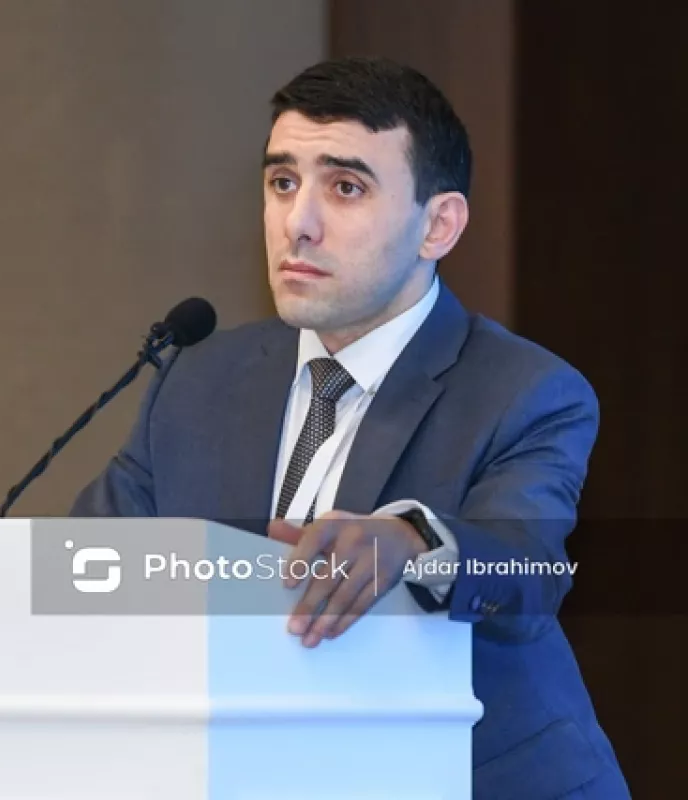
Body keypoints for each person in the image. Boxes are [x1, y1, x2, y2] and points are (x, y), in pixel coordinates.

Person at [70, 57, 629, 798]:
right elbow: (86, 567)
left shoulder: (526, 391)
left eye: (346, 187)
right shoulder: (197, 380)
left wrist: (414, 542)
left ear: (438, 225)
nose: (297, 224)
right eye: (282, 182)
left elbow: (526, 572)